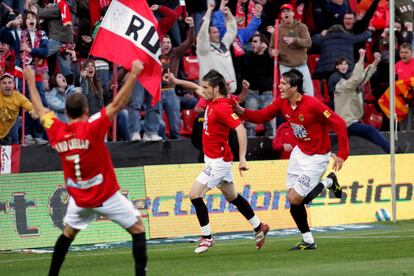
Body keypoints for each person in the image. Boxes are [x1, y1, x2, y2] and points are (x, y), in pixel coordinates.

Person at [22, 60, 147, 275]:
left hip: (79, 199)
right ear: (87, 110)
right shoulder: (92, 127)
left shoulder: (57, 130)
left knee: (68, 234)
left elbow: (40, 109)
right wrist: (134, 74)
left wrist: (31, 81)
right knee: (138, 228)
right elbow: (117, 104)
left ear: (66, 113)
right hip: (106, 196)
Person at [234, 69, 349, 250]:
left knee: (296, 198)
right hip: (299, 153)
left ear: (294, 87)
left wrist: (342, 153)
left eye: (284, 83)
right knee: (293, 199)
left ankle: (328, 181)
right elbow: (262, 116)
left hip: (317, 157)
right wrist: (241, 111)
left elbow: (340, 124)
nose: (279, 86)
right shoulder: (282, 102)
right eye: (280, 82)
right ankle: (308, 240)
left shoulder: (313, 105)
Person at [163, 70, 269, 253]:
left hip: (218, 162)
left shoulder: (221, 107)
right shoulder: (212, 99)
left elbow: (241, 130)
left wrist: (242, 158)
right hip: (215, 159)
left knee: (195, 195)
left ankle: (207, 237)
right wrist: (175, 80)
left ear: (217, 88)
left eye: (206, 87)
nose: (203, 90)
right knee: (232, 196)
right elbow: (195, 87)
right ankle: (259, 226)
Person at [270, 3, 313, 96]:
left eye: (288, 11)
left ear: (293, 13)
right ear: (281, 15)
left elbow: (308, 43)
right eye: (283, 12)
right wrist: (272, 52)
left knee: (309, 93)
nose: (286, 13)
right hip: (285, 67)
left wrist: (294, 40)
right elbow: (271, 48)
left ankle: (308, 110)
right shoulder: (277, 30)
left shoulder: (301, 27)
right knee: (288, 95)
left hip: (301, 65)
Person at [0, 72, 37, 145]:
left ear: (14, 85)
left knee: (15, 139)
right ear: (0, 86)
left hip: (11, 123)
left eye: (10, 82)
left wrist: (33, 111)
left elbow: (28, 104)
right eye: (4, 83)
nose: (7, 85)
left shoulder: (18, 96)